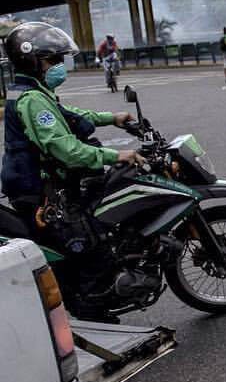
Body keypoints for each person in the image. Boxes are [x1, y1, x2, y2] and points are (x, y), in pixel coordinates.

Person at [1, 23, 143, 303]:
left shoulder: (33, 92)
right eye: (52, 59)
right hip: (39, 191)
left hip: (41, 183)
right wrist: (116, 155)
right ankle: (91, 303)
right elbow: (65, 150)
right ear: (30, 61)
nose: (59, 65)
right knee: (89, 244)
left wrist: (110, 117)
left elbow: (67, 113)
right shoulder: (31, 100)